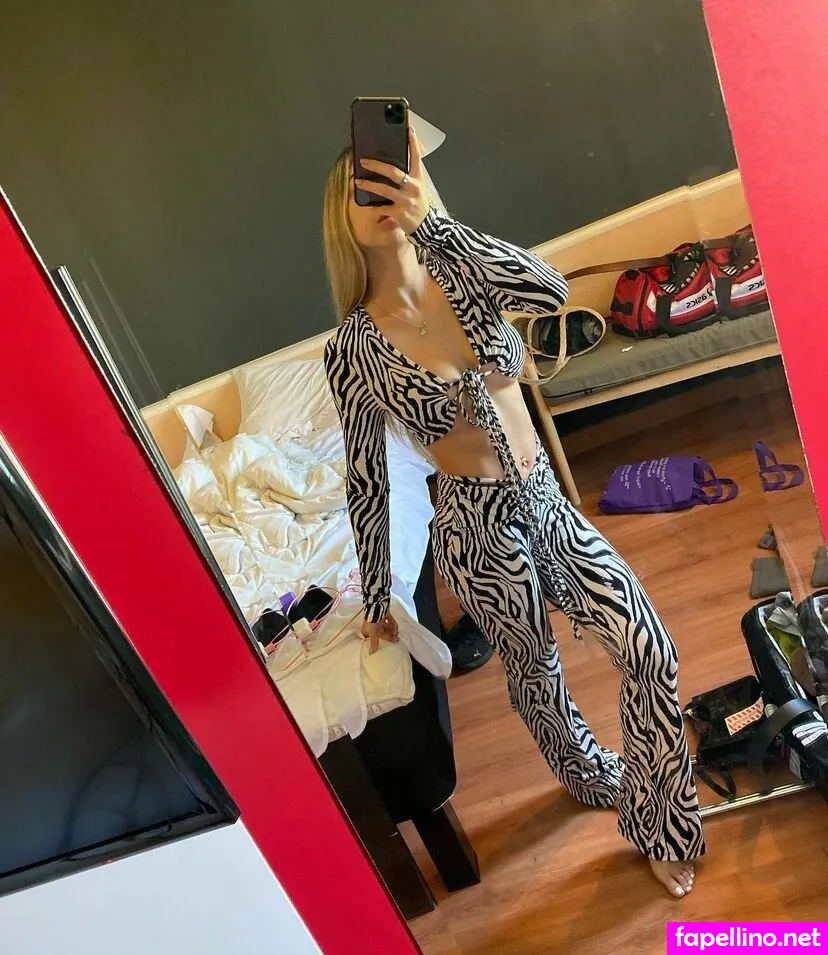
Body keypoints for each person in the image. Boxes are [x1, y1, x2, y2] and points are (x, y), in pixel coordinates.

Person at [321, 127, 703, 898]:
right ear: (340, 213)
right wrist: (379, 592)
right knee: (535, 671)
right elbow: (367, 476)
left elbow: (551, 291)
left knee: (648, 648)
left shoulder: (462, 270)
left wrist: (437, 226)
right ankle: (586, 771)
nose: (386, 195)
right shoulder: (351, 350)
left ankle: (661, 820)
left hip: (547, 501)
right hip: (475, 528)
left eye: (398, 176)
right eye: (367, 186)